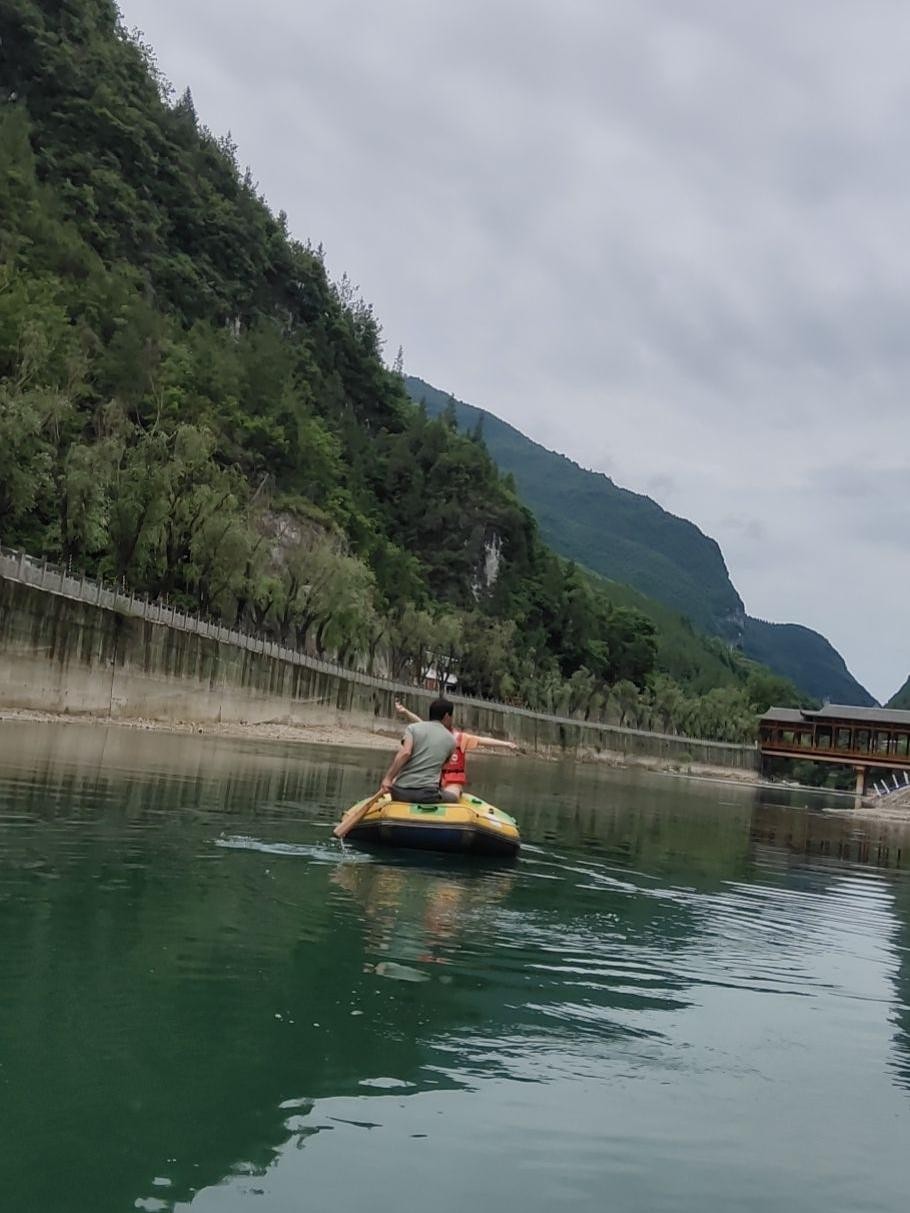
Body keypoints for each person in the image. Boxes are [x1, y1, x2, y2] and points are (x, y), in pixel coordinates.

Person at [394, 699, 518, 791]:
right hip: (432, 779)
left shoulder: (461, 738)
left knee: (451, 793)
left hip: (452, 782)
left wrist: (506, 744)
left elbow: (482, 740)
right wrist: (405, 712)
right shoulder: (432, 731)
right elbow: (418, 721)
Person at [379, 698, 461, 803]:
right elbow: (443, 767)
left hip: (400, 793)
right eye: (451, 716)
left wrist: (388, 778)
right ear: (446, 716)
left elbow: (405, 753)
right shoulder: (451, 740)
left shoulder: (412, 728)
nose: (452, 719)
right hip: (427, 796)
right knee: (455, 793)